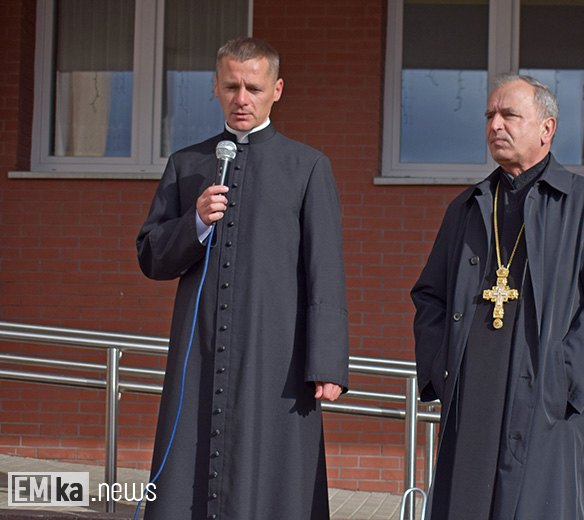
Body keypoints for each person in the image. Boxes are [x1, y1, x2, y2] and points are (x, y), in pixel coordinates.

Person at [137, 37, 349, 520]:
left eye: (253, 87)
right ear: (215, 86)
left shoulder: (308, 166)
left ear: (276, 90)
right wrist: (194, 223)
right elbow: (150, 256)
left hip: (275, 358)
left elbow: (326, 269)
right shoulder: (187, 164)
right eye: (231, 86)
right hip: (201, 355)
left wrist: (328, 362)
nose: (241, 98)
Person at [411, 74, 584, 519]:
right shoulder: (467, 208)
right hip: (473, 397)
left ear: (546, 129)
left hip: (544, 407)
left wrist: (563, 380)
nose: (496, 125)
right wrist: (442, 369)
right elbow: (429, 296)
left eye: (510, 115)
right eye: (490, 115)